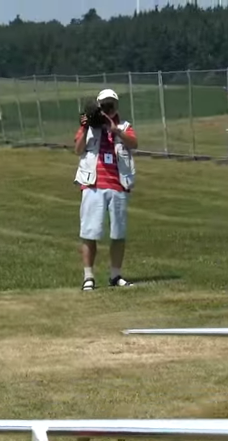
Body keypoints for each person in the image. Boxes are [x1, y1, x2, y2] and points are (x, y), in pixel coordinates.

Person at [74, 88, 138, 290]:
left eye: (111, 105)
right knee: (90, 231)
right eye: (104, 106)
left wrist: (115, 129)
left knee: (118, 233)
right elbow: (77, 150)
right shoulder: (89, 127)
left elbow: (134, 144)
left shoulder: (124, 126)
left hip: (118, 185)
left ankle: (115, 275)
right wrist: (85, 127)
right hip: (93, 184)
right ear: (98, 107)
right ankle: (88, 276)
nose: (108, 109)